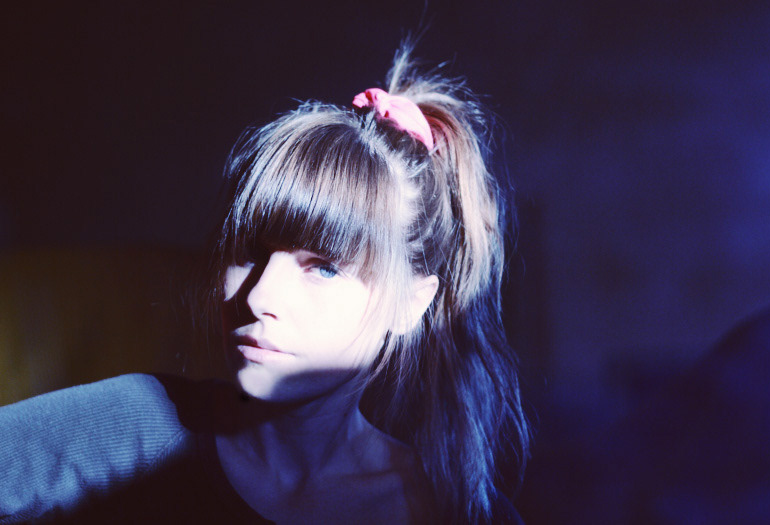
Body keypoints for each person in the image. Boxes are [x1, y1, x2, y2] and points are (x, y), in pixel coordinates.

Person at [0, 43, 530, 524]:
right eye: (250, 253)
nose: (258, 297)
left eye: (324, 267)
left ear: (411, 304)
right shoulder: (134, 427)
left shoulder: (454, 513)